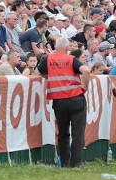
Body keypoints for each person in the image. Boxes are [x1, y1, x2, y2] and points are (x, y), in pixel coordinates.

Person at [37, 36, 91, 168]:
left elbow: (39, 73)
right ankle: (76, 164)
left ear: (56, 47)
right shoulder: (71, 59)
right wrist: (84, 86)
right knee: (78, 133)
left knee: (63, 133)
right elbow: (86, 70)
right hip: (76, 98)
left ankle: (65, 163)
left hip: (59, 100)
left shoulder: (49, 59)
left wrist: (51, 76)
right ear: (67, 48)